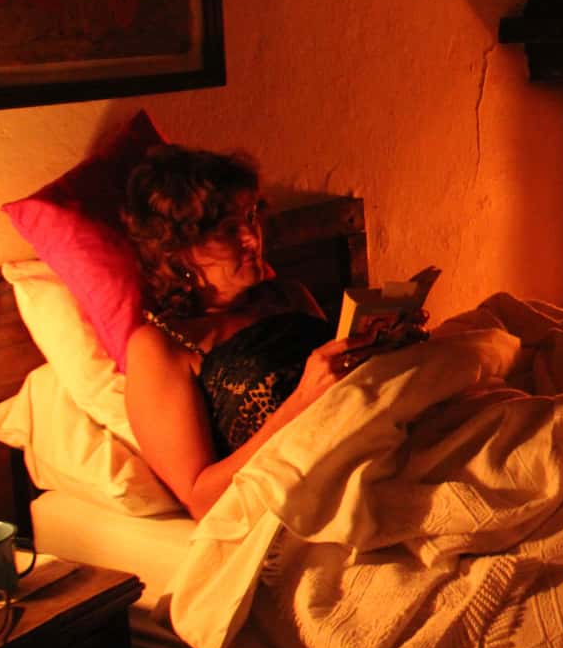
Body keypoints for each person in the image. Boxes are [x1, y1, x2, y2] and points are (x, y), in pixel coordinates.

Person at [120, 144, 421, 519]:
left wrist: (389, 347)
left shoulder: (288, 294)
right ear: (181, 251)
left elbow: (349, 394)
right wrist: (300, 402)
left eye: (250, 217)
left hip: (386, 444)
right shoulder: (160, 346)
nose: (251, 237)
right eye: (230, 229)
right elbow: (201, 500)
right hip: (315, 492)